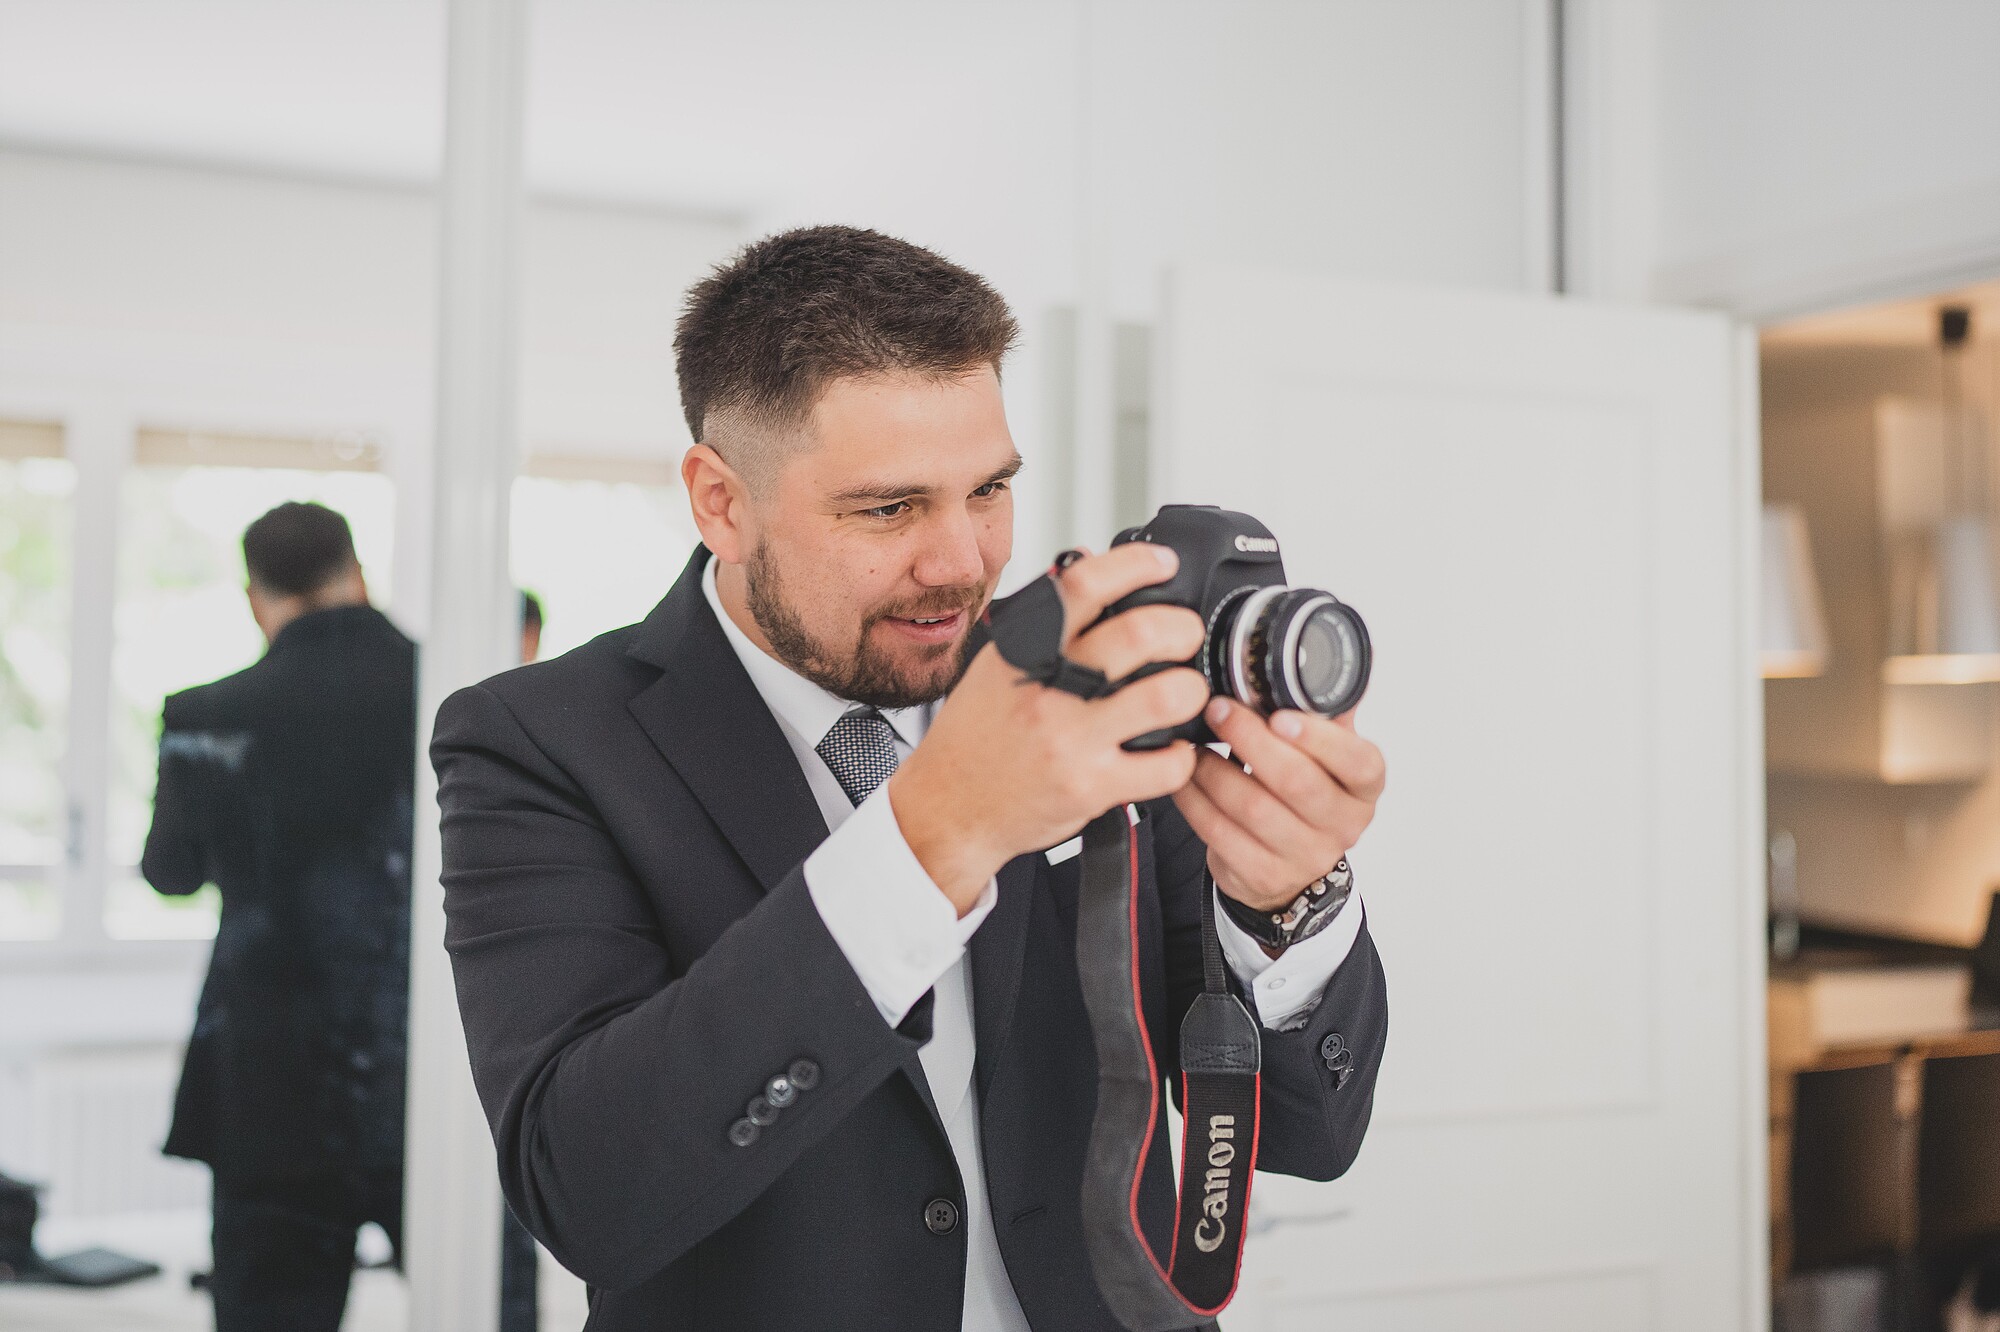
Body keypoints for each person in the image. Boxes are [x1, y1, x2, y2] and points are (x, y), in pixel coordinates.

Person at [432, 226, 1390, 1330]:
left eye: (987, 489)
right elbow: (587, 1194)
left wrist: (1287, 903)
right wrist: (934, 834)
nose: (963, 562)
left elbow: (1310, 1135)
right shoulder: (537, 739)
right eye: (887, 508)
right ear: (720, 502)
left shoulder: (1079, 687)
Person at [143, 501, 415, 1332]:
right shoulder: (456, 690)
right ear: (356, 574)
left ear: (255, 596)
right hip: (427, 1060)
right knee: (482, 1297)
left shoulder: (206, 715)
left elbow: (171, 873)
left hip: (270, 1071)